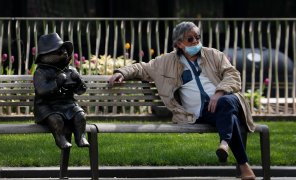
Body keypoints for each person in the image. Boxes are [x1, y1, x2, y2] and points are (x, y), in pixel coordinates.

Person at [109, 22, 256, 180]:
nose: (196, 42)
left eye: (198, 38)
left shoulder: (214, 55)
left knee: (226, 102)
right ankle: (243, 166)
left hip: (226, 101)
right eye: (190, 39)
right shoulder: (166, 62)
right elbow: (142, 68)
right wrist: (122, 73)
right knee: (230, 117)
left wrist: (219, 91)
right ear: (179, 44)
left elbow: (232, 74)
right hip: (203, 112)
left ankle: (225, 143)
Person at [33, 33, 89, 149]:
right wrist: (56, 83)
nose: (64, 54)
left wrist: (78, 81)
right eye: (59, 52)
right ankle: (60, 138)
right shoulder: (41, 72)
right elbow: (41, 90)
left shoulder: (70, 70)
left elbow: (81, 91)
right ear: (45, 56)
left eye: (65, 51)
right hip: (47, 107)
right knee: (56, 119)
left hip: (68, 105)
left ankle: (81, 137)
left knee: (81, 116)